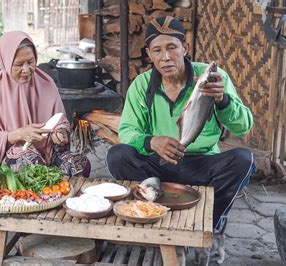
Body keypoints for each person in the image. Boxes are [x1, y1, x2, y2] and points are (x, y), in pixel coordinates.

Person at [106, 16, 254, 231]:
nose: (165, 57)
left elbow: (244, 126)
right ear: (148, 54)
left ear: (185, 48)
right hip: (157, 164)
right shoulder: (141, 85)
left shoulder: (212, 77)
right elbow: (127, 130)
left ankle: (211, 222)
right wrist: (151, 142)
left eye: (172, 47)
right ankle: (149, 210)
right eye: (157, 50)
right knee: (117, 155)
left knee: (243, 160)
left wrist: (223, 100)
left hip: (202, 163)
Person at [0, 31, 90, 177]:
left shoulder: (46, 82)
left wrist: (59, 133)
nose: (26, 69)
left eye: (30, 62)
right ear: (6, 61)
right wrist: (17, 134)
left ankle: (65, 199)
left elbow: (60, 121)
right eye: (18, 64)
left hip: (48, 151)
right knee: (33, 169)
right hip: (10, 154)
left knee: (79, 165)